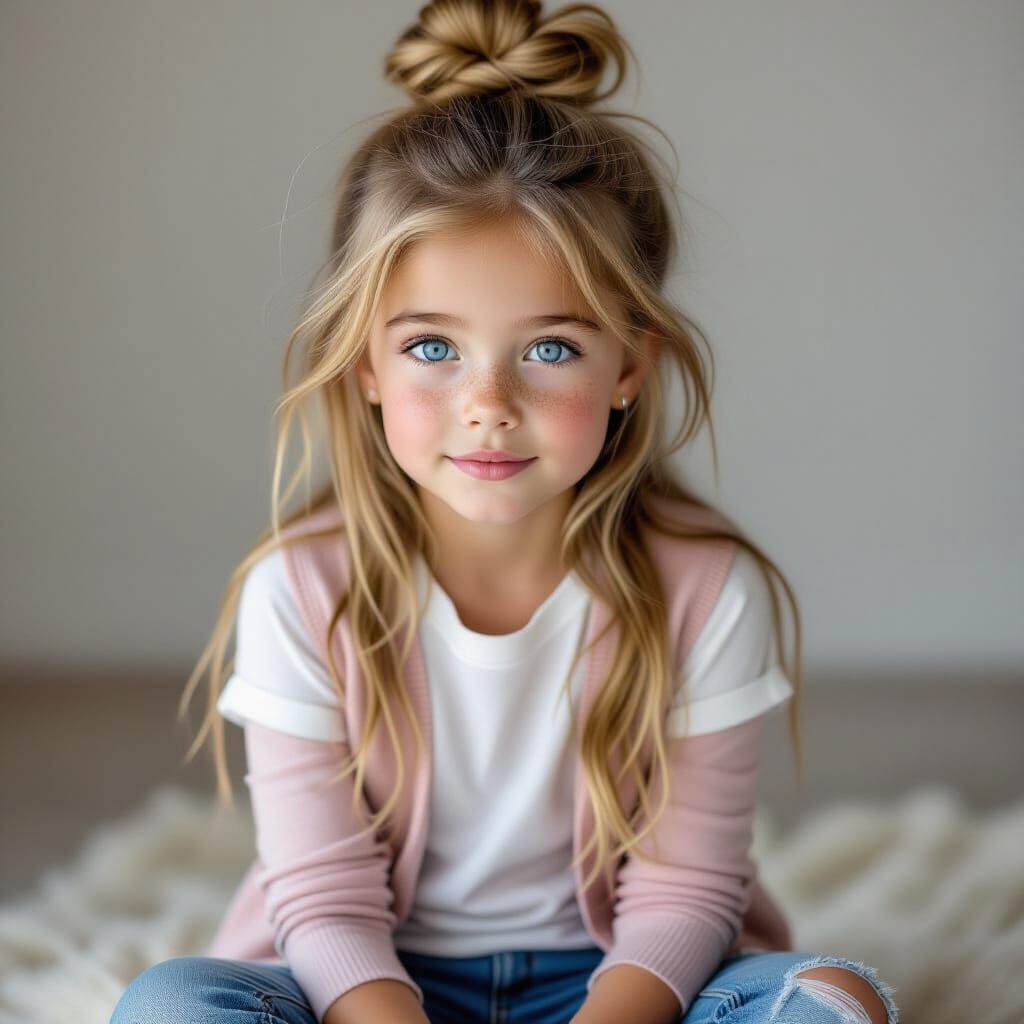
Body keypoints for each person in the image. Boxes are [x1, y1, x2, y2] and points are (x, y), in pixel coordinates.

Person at [110, 2, 901, 1022]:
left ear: (629, 365)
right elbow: (324, 898)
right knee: (169, 1004)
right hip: (363, 984)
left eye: (551, 348)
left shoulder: (705, 586)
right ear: (365, 366)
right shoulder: (300, 590)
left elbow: (685, 889)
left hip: (622, 977)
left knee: (833, 1002)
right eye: (433, 347)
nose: (487, 402)